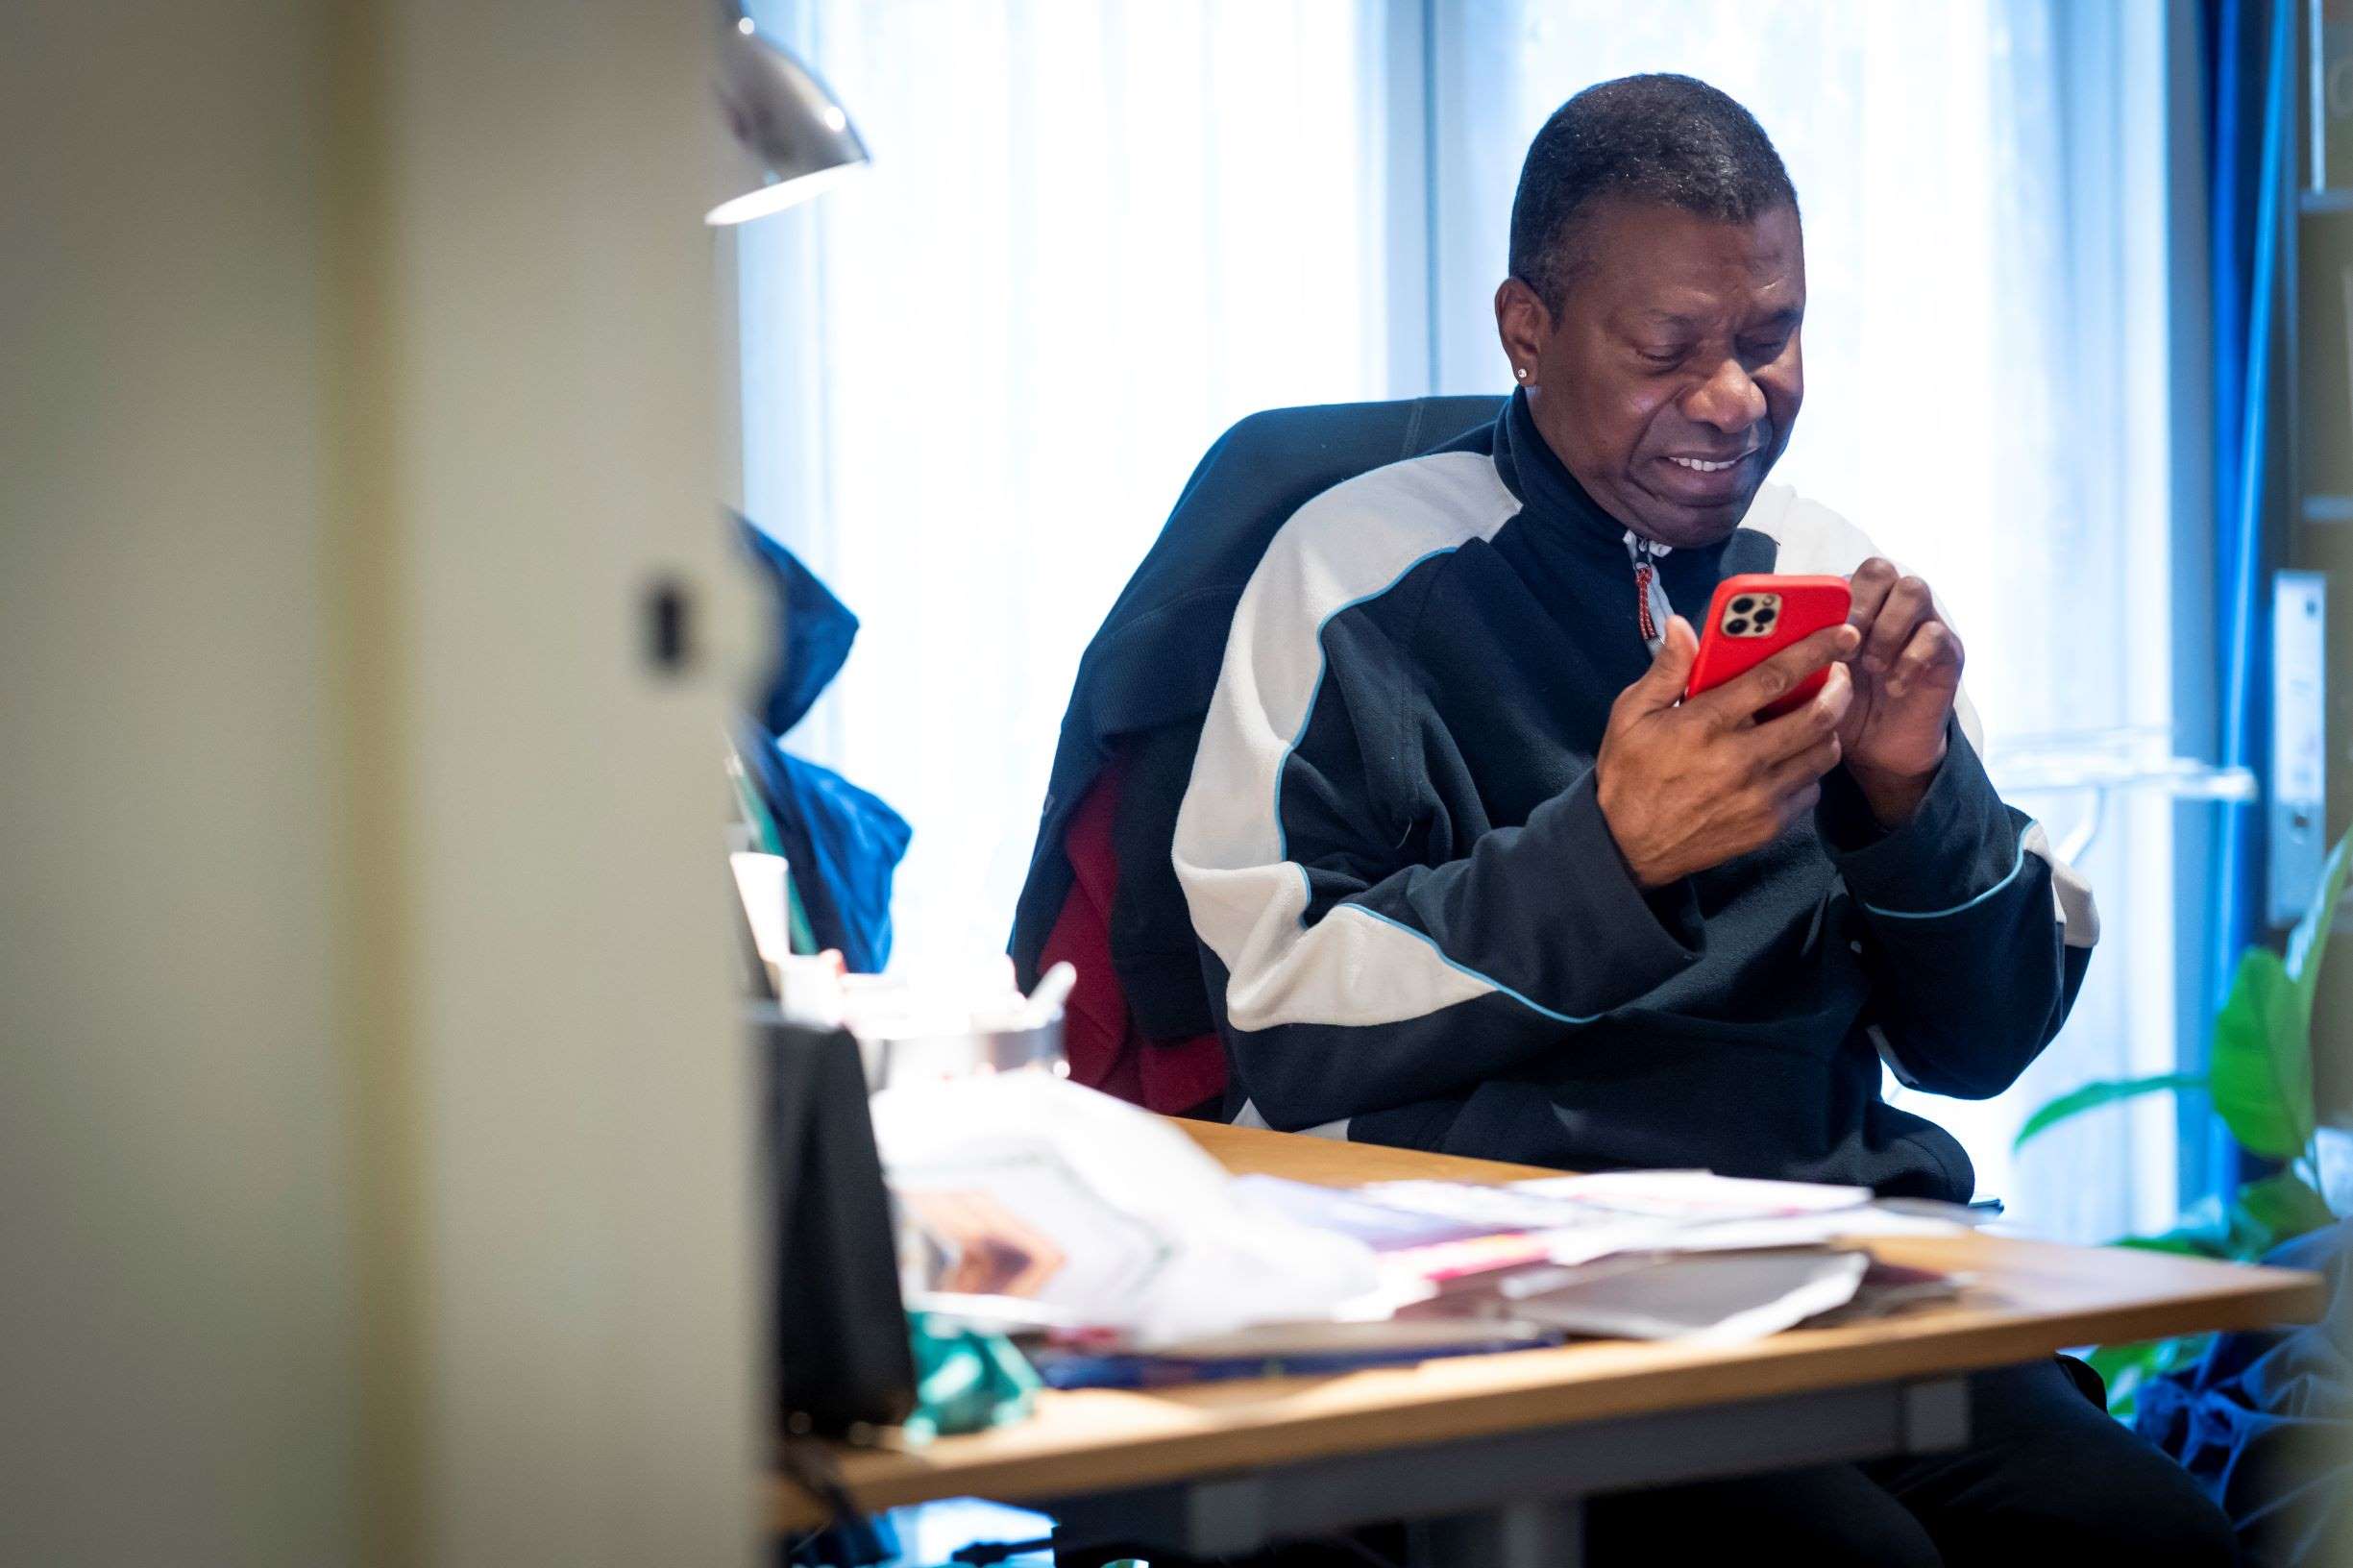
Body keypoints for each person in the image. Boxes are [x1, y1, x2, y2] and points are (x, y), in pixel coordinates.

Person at [1166, 74, 2234, 1564]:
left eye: (1769, 337)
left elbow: (1978, 1045)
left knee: (2141, 1537)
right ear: (1525, 329)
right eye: (1669, 347)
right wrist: (1608, 861)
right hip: (1504, 1284)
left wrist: (1912, 795)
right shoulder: (1351, 577)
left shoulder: (1820, 570)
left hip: (1817, 1257)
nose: (1733, 398)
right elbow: (1280, 1020)